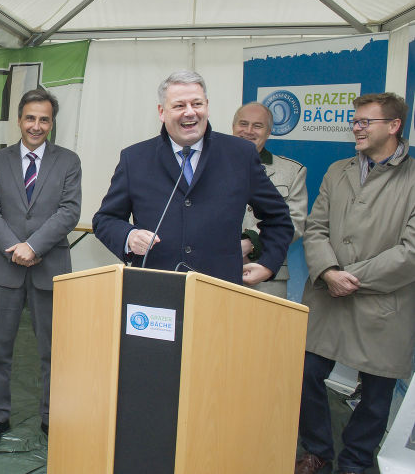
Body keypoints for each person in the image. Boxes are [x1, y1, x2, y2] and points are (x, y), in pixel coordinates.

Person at [295, 92, 415, 474]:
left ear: (394, 126)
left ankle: (355, 461)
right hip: (327, 295)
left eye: (366, 121)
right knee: (305, 373)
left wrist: (354, 277)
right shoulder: (337, 170)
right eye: (355, 120)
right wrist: (329, 272)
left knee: (376, 396)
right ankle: (316, 451)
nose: (356, 127)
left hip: (383, 304)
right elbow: (315, 228)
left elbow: (411, 252)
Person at [93, 70, 292, 284]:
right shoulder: (135, 159)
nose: (190, 112)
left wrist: (268, 264)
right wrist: (128, 236)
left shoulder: (240, 154)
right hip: (155, 294)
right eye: (179, 106)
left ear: (207, 105)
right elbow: (105, 220)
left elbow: (278, 218)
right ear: (162, 112)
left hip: (220, 293)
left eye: (197, 104)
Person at [0, 88, 82, 446]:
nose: (36, 126)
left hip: (49, 268)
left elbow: (69, 211)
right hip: (7, 271)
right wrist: (14, 249)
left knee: (54, 350)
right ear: (19, 120)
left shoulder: (68, 161)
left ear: (52, 123)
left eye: (44, 119)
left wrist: (34, 245)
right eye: (30, 118)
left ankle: (53, 417)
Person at [232, 101, 307, 298]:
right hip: (216, 272)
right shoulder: (210, 167)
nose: (248, 131)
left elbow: (295, 223)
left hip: (267, 275)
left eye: (257, 126)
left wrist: (251, 241)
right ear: (233, 127)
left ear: (269, 132)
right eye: (243, 124)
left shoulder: (292, 171)